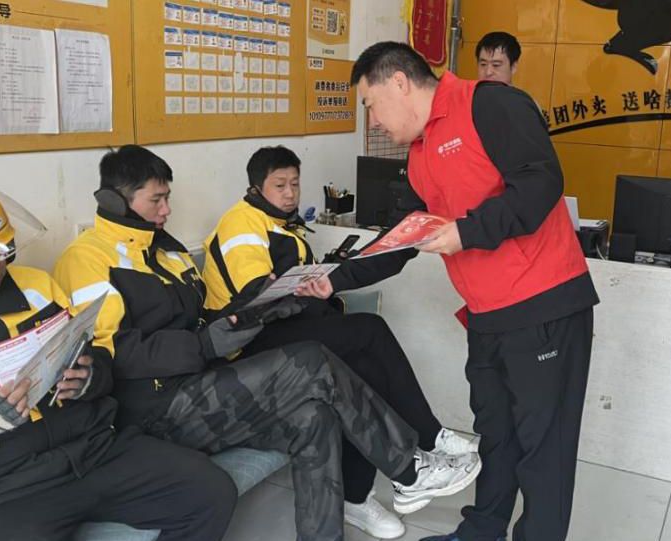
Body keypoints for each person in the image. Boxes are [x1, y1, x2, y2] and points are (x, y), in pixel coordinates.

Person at [52, 144, 480, 541]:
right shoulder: (88, 259)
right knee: (315, 359)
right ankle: (408, 470)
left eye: (168, 198)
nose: (166, 210)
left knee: (315, 416)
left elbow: (202, 316)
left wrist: (240, 316)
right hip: (155, 408)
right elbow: (114, 354)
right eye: (156, 200)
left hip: (203, 384)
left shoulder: (168, 252)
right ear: (114, 201)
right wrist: (204, 345)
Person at [297, 42, 600, 541]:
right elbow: (403, 237)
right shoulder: (419, 155)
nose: (373, 121)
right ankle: (481, 531)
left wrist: (466, 231)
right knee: (496, 435)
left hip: (543, 305)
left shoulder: (490, 104)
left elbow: (541, 182)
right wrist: (336, 278)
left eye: (370, 103)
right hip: (486, 316)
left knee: (544, 447)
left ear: (398, 82)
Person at [0, 171, 238, 541]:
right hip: (3, 490)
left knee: (210, 492)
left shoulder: (36, 286)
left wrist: (90, 377)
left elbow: (96, 359)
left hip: (96, 451)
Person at [201, 145, 481, 539]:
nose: (290, 193)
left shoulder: (284, 226)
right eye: (280, 185)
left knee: (361, 370)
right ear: (255, 187)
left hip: (281, 330)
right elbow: (256, 296)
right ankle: (427, 438)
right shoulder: (241, 223)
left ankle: (358, 497)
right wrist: (300, 287)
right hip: (246, 346)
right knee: (369, 329)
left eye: (295, 184)